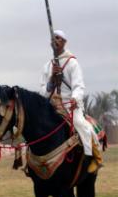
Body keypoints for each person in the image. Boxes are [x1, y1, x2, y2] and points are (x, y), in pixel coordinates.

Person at [40, 29, 102, 172]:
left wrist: (75, 98)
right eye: (53, 38)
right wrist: (51, 81)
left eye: (58, 38)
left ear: (64, 42)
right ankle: (31, 162)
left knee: (81, 124)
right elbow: (43, 91)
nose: (55, 40)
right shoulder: (47, 66)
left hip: (70, 105)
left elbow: (79, 85)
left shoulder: (72, 62)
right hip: (52, 105)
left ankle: (92, 157)